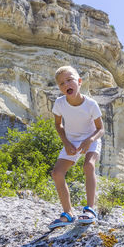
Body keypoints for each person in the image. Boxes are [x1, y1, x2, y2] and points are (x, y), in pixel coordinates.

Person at [49, 65, 105, 229]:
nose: (66, 85)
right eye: (61, 84)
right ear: (59, 89)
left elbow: (101, 129)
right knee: (57, 173)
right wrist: (66, 143)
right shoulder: (59, 104)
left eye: (69, 80)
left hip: (91, 138)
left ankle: (90, 210)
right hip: (71, 140)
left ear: (79, 82)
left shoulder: (91, 104)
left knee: (88, 166)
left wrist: (89, 140)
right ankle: (68, 213)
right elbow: (58, 125)